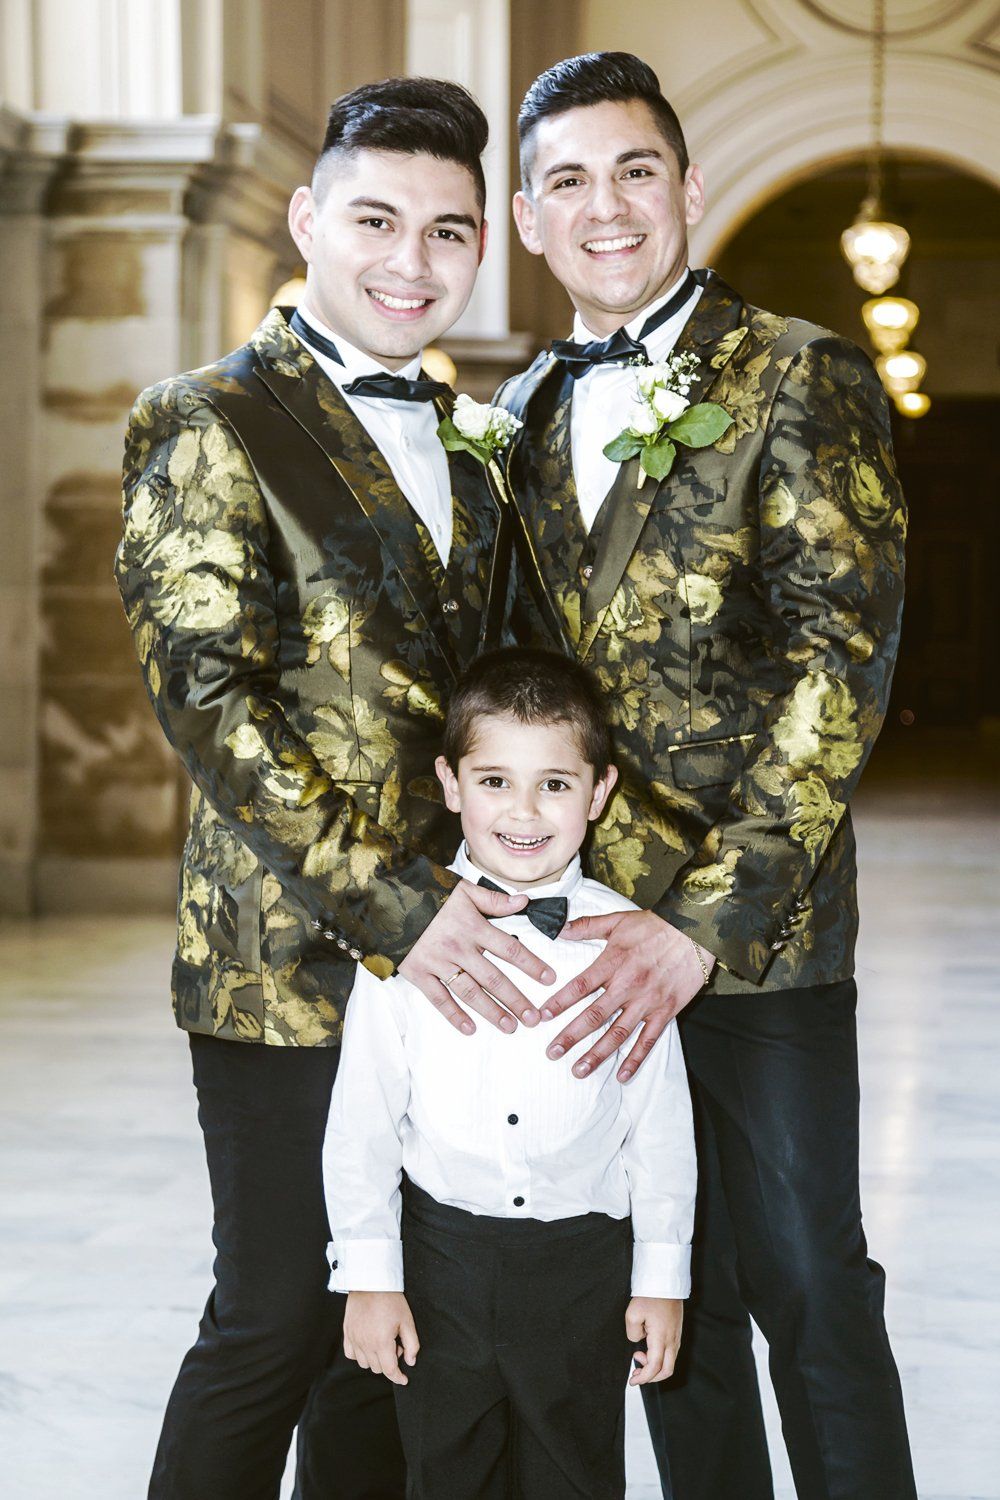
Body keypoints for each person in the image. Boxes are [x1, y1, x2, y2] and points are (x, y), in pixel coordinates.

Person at [114, 77, 556, 1500]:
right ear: (307, 220)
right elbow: (209, 699)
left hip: (457, 967)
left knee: (388, 1338)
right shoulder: (206, 417)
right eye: (376, 221)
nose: (409, 262)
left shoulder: (480, 445)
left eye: (447, 232)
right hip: (289, 963)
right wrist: (399, 909)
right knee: (277, 1319)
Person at [496, 51, 915, 1500]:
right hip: (588, 946)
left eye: (633, 171)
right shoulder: (520, 405)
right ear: (528, 220)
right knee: (663, 1292)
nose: (604, 206)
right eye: (567, 182)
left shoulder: (800, 371)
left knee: (808, 1278)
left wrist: (704, 926)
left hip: (762, 941)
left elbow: (839, 672)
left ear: (686, 186)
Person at [324, 646, 696, 1500]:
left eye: (554, 784)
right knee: (445, 1477)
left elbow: (661, 1129)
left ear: (598, 792)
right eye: (495, 781)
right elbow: (363, 1122)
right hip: (440, 1266)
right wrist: (371, 1278)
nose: (523, 811)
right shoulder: (407, 941)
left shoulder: (630, 945)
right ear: (451, 784)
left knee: (578, 1478)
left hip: (583, 1272)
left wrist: (661, 1279)